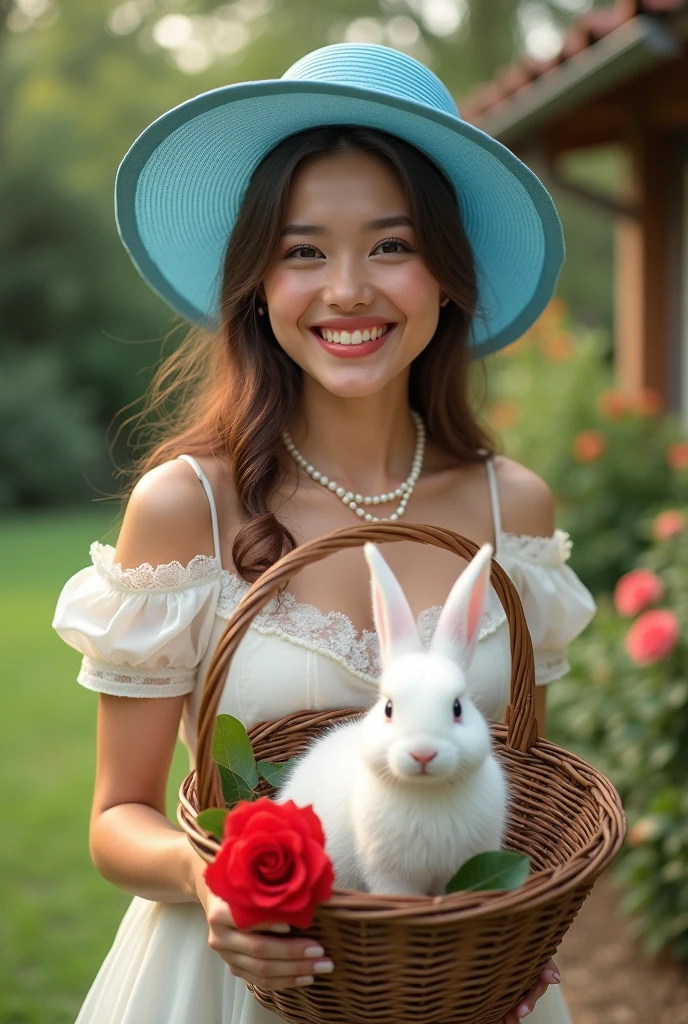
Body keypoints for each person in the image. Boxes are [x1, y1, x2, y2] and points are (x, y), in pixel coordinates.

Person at [53, 43, 596, 1024]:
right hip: (243, 977)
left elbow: (512, 782)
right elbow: (115, 819)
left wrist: (518, 907)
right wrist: (211, 877)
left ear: (448, 274)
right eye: (304, 250)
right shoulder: (188, 508)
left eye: (391, 245)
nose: (348, 288)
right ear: (258, 279)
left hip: (458, 987)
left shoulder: (514, 508)